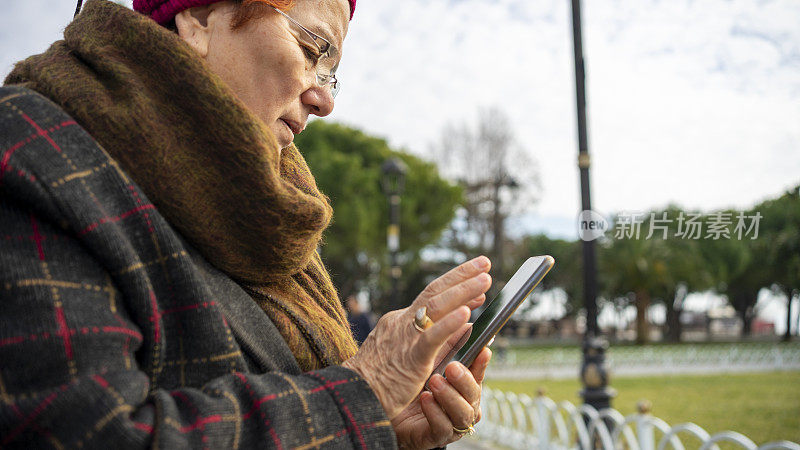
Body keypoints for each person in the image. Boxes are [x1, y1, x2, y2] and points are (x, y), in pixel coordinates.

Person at [0, 0, 493, 448]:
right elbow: (89, 435)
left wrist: (384, 427)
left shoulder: (271, 210)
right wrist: (365, 393)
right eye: (310, 49)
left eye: (333, 72)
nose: (325, 99)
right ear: (197, 19)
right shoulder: (32, 152)